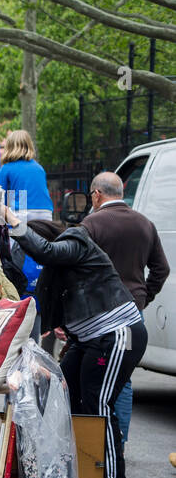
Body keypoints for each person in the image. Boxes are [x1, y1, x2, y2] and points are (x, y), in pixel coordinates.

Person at [6, 209, 146, 478]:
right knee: (61, 390)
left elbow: (44, 251)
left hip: (121, 333)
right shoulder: (58, 268)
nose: (32, 257)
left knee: (99, 403)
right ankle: (80, 468)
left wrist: (11, 218)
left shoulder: (76, 240)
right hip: (91, 339)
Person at [82, 170, 169, 445]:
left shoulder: (91, 224)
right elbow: (161, 269)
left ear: (97, 195)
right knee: (125, 377)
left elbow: (77, 270)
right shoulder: (145, 224)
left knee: (96, 374)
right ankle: (120, 442)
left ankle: (99, 443)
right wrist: (143, 297)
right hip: (132, 318)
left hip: (99, 319)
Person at [0, 129, 55, 292]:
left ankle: (18, 286)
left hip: (20, 211)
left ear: (9, 146)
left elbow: (1, 199)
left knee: (17, 252)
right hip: (44, 212)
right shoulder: (39, 168)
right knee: (40, 249)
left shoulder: (7, 168)